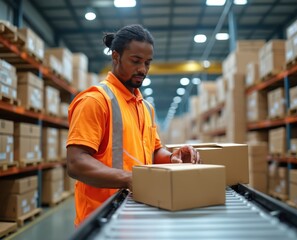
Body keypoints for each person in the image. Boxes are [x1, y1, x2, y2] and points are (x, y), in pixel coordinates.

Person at [66, 24, 200, 226]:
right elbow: (76, 163)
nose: (142, 70)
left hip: (136, 211)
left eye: (147, 63)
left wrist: (173, 157)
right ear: (115, 57)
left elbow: (153, 152)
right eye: (135, 61)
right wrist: (129, 178)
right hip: (100, 218)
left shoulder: (145, 107)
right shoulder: (95, 101)